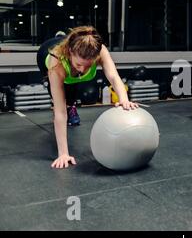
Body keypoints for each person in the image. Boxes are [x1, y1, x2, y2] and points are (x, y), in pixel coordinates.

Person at [36, 26, 138, 168]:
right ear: (71, 52)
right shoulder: (56, 62)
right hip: (46, 52)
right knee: (59, 98)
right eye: (79, 64)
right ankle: (61, 37)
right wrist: (63, 154)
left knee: (72, 93)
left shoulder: (100, 50)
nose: (82, 70)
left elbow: (114, 77)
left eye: (88, 65)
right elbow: (60, 112)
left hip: (71, 50)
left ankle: (63, 37)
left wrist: (124, 100)